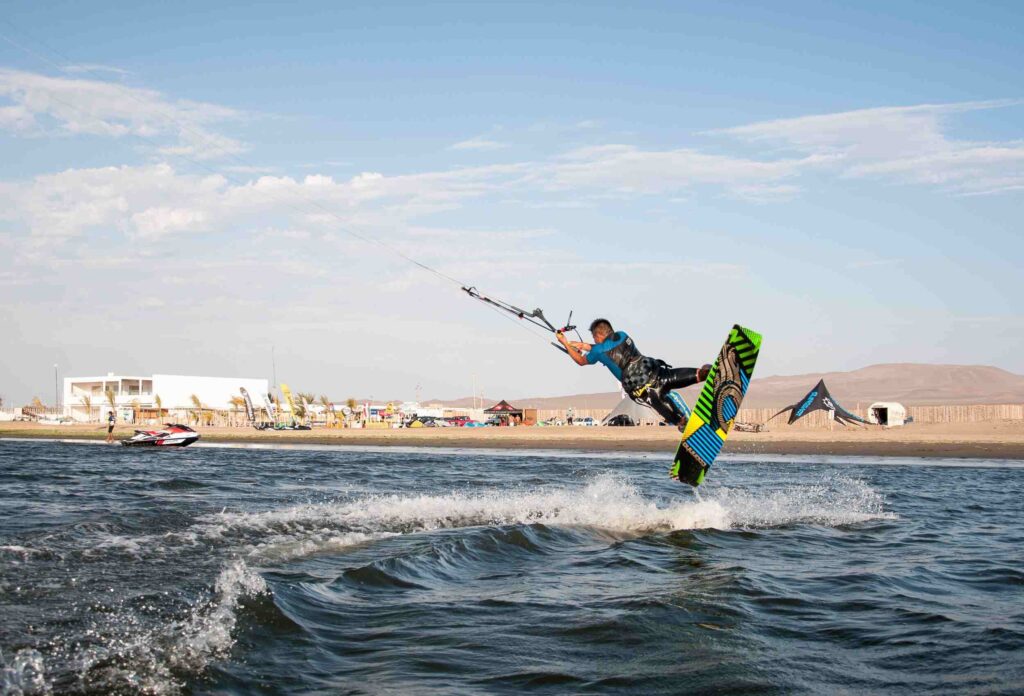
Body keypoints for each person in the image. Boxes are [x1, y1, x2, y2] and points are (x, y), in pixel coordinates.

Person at [556, 318, 710, 430]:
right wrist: (583, 345)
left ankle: (682, 422)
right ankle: (707, 373)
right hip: (657, 372)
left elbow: (581, 361)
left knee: (669, 411)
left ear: (598, 336)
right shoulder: (623, 335)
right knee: (691, 375)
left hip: (645, 389)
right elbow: (603, 347)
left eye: (594, 338)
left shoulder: (598, 350)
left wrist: (564, 343)